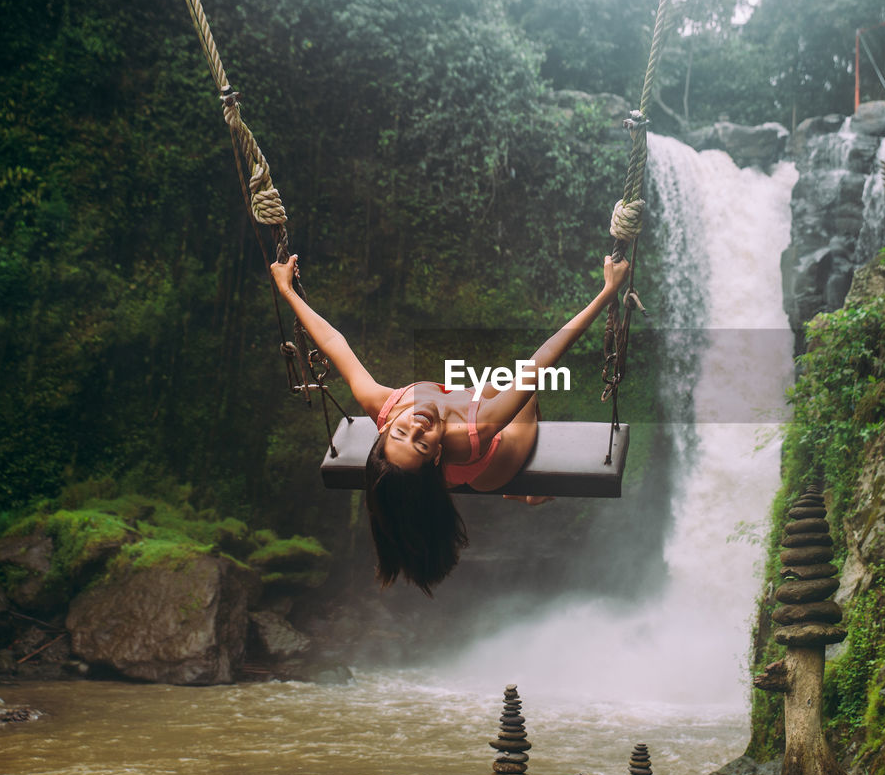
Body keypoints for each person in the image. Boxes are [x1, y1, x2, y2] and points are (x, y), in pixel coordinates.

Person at [269, 252, 631, 593]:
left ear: (382, 427)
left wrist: (286, 290)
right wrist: (607, 292)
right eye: (422, 443)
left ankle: (433, 476)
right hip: (498, 463)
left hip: (449, 456)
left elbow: (333, 341)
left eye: (402, 432)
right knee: (524, 392)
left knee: (488, 392)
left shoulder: (381, 404)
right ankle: (522, 493)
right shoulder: (482, 426)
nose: (417, 425)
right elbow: (544, 358)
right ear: (437, 454)